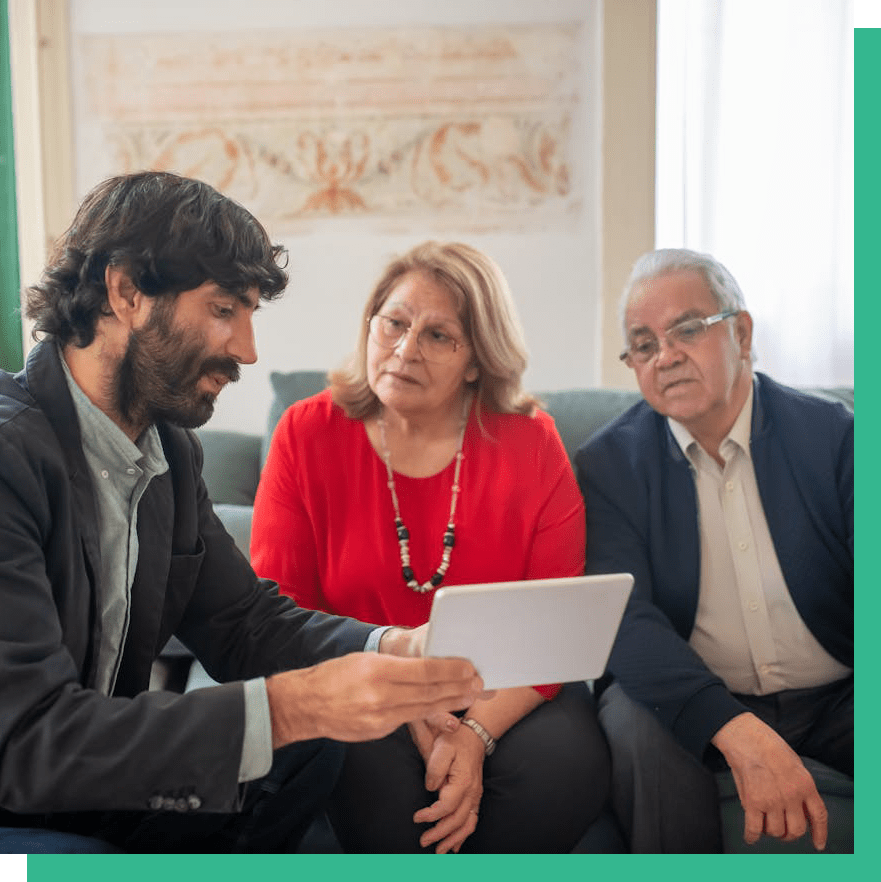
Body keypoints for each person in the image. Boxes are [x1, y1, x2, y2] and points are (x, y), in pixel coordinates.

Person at [0, 172, 486, 854]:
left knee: (310, 746)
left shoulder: (167, 450)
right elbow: (25, 742)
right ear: (126, 291)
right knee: (292, 722)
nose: (247, 350)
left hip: (93, 780)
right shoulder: (10, 454)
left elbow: (243, 622)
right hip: (18, 790)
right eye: (224, 309)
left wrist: (391, 650)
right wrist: (294, 704)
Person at [251, 241, 610, 853]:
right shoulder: (307, 433)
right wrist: (410, 705)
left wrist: (472, 735)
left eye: (439, 335)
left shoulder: (530, 441)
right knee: (387, 796)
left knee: (558, 774)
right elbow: (283, 612)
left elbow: (556, 626)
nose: (405, 348)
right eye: (394, 322)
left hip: (511, 688)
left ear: (476, 361)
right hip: (359, 678)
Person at [574, 248, 853, 853]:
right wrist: (729, 724)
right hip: (695, 698)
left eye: (688, 330)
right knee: (630, 720)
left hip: (840, 693)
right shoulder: (608, 466)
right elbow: (625, 619)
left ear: (742, 332)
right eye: (643, 344)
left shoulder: (834, 436)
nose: (666, 356)